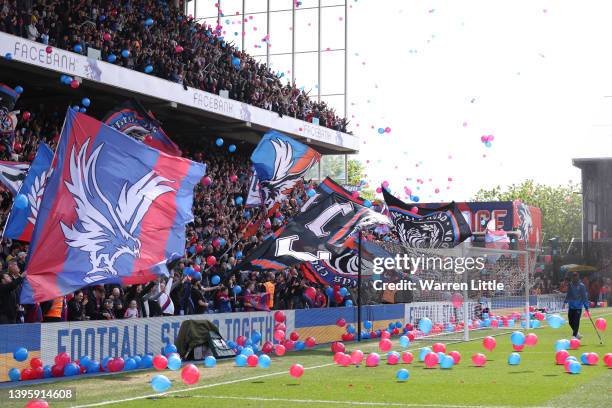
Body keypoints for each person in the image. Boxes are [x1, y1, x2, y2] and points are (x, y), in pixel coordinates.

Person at [564, 272, 589, 339]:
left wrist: (586, 306)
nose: (574, 278)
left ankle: (574, 336)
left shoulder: (581, 286)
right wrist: (565, 302)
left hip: (578, 307)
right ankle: (577, 334)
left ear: (578, 277)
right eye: (573, 277)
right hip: (571, 306)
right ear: (572, 277)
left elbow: (584, 297)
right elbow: (568, 294)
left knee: (576, 321)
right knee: (570, 322)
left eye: (576, 276)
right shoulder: (570, 285)